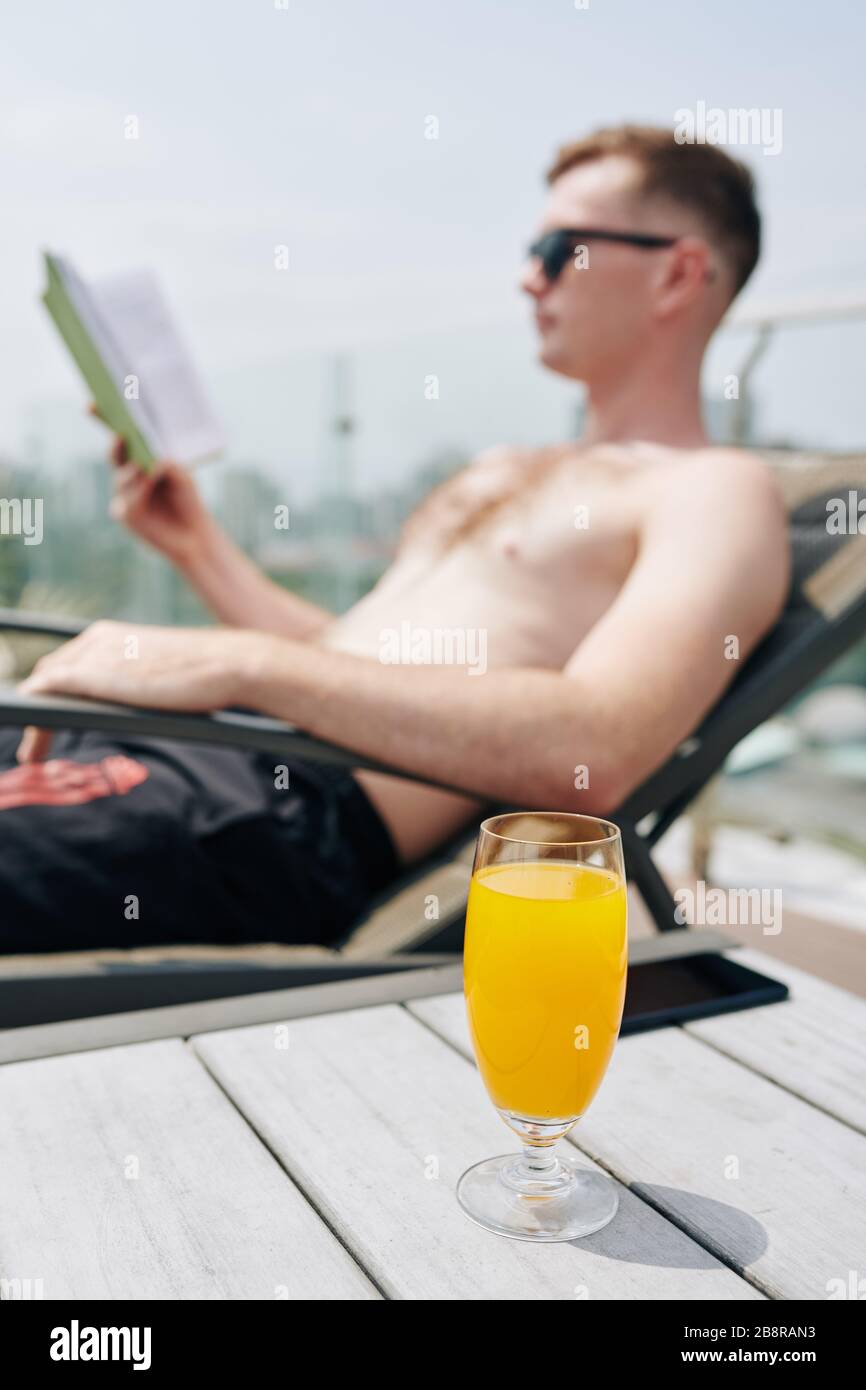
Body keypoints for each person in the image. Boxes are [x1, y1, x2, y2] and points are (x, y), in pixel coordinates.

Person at [1, 124, 789, 953]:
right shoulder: (507, 467)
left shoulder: (713, 490)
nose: (528, 278)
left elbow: (596, 747)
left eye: (562, 249)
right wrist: (197, 547)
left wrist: (238, 663)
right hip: (186, 745)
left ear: (678, 273)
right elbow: (354, 663)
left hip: (266, 808)